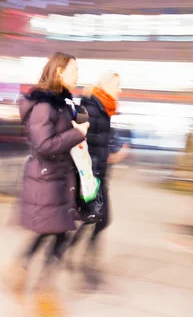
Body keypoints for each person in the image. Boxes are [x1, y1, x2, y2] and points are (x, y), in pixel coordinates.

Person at [3, 52, 90, 299]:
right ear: (60, 72)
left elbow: (68, 136)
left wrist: (80, 128)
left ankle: (23, 272)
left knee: (56, 231)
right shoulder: (44, 105)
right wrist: (78, 134)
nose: (78, 75)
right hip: (47, 179)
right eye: (75, 70)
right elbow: (44, 145)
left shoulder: (63, 104)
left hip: (59, 178)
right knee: (58, 231)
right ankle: (43, 289)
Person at [66, 72, 128, 290]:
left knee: (96, 218)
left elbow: (98, 144)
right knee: (99, 218)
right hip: (90, 175)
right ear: (103, 84)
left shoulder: (105, 110)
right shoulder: (89, 108)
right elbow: (79, 142)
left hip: (99, 173)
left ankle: (75, 254)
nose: (120, 90)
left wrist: (110, 156)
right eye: (117, 85)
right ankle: (85, 263)